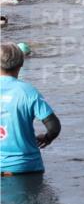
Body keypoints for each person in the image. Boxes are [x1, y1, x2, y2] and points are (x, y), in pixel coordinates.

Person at [0, 43, 61, 176]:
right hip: (26, 168)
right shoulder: (28, 92)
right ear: (21, 64)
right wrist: (47, 138)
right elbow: (54, 127)